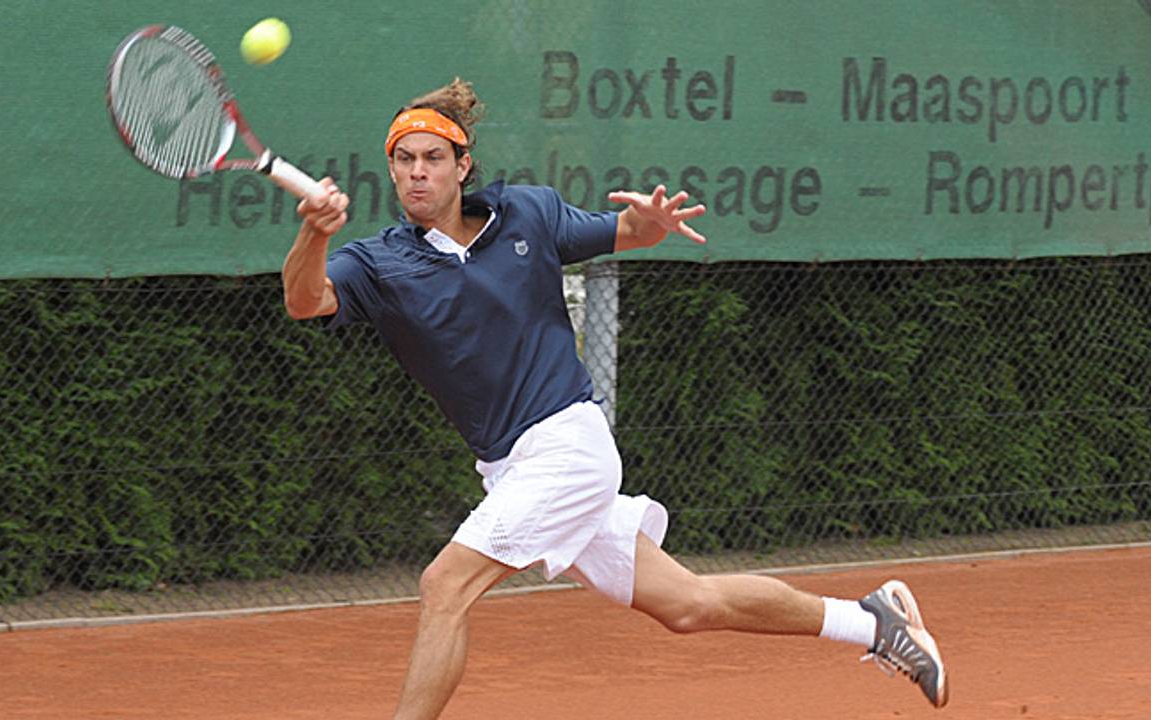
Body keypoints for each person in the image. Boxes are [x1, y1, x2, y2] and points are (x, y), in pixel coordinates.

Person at [281, 77, 949, 719]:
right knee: (687, 605)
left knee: (444, 584)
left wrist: (651, 223)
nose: (418, 171)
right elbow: (305, 300)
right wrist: (314, 233)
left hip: (568, 446)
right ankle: (870, 622)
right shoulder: (379, 263)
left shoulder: (528, 216)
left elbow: (630, 234)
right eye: (404, 160)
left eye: (433, 158)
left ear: (463, 167)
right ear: (391, 171)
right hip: (509, 467)